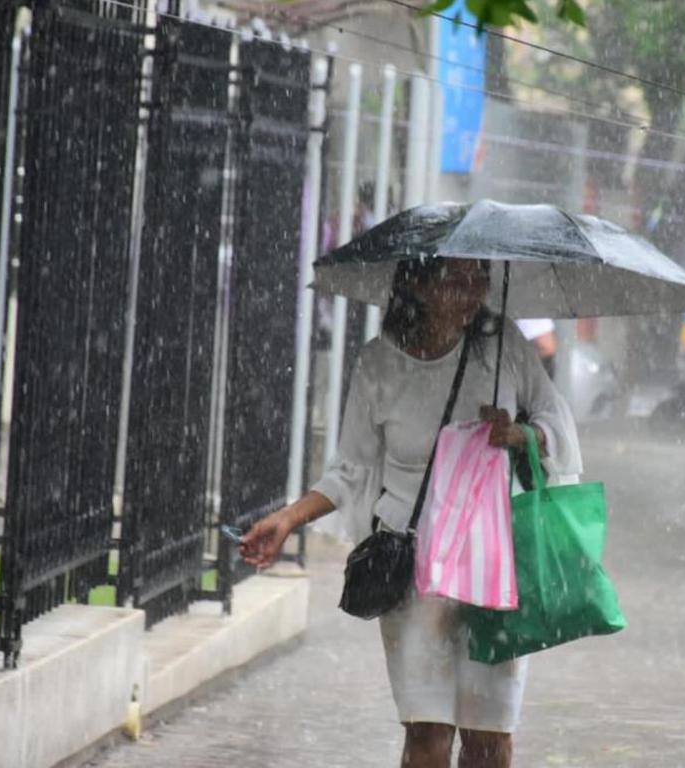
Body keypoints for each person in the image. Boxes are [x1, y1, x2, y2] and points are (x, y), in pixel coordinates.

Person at [241, 257, 582, 768]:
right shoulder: (379, 363)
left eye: (480, 277)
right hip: (413, 571)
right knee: (427, 736)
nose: (474, 290)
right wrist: (289, 519)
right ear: (418, 284)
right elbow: (350, 469)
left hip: (495, 566)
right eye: (458, 278)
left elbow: (557, 425)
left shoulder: (504, 345)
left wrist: (517, 433)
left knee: (489, 741)